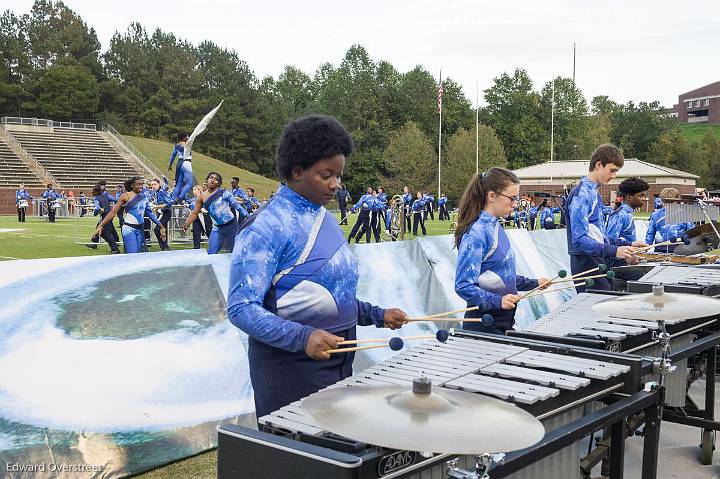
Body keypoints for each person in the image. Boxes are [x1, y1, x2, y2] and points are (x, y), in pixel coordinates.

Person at [226, 114, 408, 419]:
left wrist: (378, 315)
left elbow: (335, 295)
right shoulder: (265, 228)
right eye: (327, 175)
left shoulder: (325, 218)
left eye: (338, 175)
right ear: (297, 171)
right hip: (290, 370)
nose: (336, 185)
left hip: (338, 361)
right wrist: (302, 338)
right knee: (299, 462)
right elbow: (241, 308)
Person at [454, 168, 549, 334]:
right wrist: (498, 301)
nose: (515, 204)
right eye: (511, 198)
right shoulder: (476, 233)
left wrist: (534, 283)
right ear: (492, 196)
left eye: (516, 198)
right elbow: (463, 285)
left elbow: (501, 276)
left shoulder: (495, 225)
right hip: (483, 324)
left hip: (503, 320)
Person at [566, 145, 643, 292]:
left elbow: (599, 236)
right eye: (612, 170)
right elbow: (579, 241)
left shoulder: (594, 193)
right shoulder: (581, 195)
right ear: (599, 165)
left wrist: (628, 244)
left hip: (597, 258)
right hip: (586, 262)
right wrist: (614, 251)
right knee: (595, 310)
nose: (614, 175)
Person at [182, 172, 249, 254]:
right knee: (211, 254)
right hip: (217, 229)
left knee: (235, 253)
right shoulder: (201, 197)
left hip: (232, 227)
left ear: (219, 183)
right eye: (211, 178)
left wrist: (249, 217)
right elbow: (195, 213)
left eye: (216, 179)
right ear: (207, 180)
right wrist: (186, 224)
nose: (213, 180)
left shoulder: (225, 193)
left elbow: (238, 207)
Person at [95, 176, 165, 254]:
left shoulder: (144, 197)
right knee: (133, 254)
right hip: (129, 228)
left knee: (140, 254)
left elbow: (150, 213)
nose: (141, 186)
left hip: (140, 229)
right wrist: (100, 225)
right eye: (138, 184)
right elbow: (112, 213)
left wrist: (161, 226)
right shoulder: (125, 196)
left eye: (142, 184)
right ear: (132, 185)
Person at [646, 188, 695, 253]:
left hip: (680, 249)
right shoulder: (655, 215)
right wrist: (647, 245)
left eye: (671, 203)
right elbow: (650, 233)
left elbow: (692, 232)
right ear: (661, 201)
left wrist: (688, 236)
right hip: (660, 249)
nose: (668, 205)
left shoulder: (684, 214)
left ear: (677, 201)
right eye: (666, 202)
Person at [606, 177, 649, 246]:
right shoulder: (620, 215)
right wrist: (631, 245)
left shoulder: (628, 213)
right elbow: (610, 241)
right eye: (641, 196)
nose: (644, 199)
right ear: (629, 197)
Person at [88, 184, 120, 253]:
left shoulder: (96, 198)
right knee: (100, 228)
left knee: (106, 233)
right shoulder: (106, 195)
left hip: (104, 216)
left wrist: (95, 213)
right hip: (110, 215)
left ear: (95, 191)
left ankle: (115, 249)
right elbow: (115, 199)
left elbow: (97, 208)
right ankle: (94, 243)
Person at [168, 132, 193, 202]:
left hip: (179, 163)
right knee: (189, 183)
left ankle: (173, 199)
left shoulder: (176, 146)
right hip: (186, 162)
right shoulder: (188, 144)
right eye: (187, 136)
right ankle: (180, 198)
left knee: (179, 182)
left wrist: (170, 165)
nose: (188, 137)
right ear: (184, 138)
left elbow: (173, 156)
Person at [150, 178, 173, 251]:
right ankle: (165, 246)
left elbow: (170, 202)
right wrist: (155, 206)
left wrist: (161, 209)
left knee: (157, 229)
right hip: (160, 213)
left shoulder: (162, 191)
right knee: (163, 229)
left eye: (155, 184)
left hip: (165, 212)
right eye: (152, 184)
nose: (153, 186)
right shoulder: (156, 192)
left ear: (159, 184)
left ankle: (163, 246)